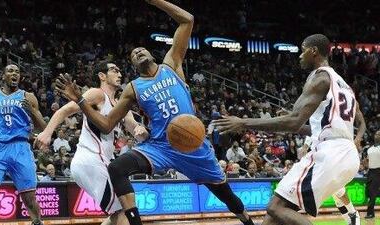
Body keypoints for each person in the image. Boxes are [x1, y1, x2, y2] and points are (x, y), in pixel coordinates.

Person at [55, 1, 255, 225]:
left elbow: (187, 20)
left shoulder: (171, 65)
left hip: (193, 145)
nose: (138, 51)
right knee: (117, 168)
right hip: (161, 147)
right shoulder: (133, 88)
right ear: (133, 65)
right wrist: (81, 101)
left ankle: (246, 220)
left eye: (141, 49)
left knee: (226, 196)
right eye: (133, 54)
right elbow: (107, 124)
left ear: (151, 54)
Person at [213, 34, 362, 225]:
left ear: (313, 51)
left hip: (330, 153)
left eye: (302, 51)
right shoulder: (343, 84)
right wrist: (296, 126)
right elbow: (317, 128)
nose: (300, 56)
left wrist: (243, 123)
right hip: (346, 155)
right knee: (273, 217)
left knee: (275, 207)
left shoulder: (320, 78)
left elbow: (292, 121)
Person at [35, 61, 149, 225]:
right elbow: (65, 110)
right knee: (125, 210)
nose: (119, 74)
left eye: (119, 70)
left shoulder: (119, 105)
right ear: (102, 76)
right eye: (113, 70)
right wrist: (47, 132)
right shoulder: (97, 94)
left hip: (100, 161)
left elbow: (133, 127)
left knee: (120, 211)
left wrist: (141, 131)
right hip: (91, 158)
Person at [0, 64, 46, 225]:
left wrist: (32, 111)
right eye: (10, 71)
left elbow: (43, 127)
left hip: (20, 147)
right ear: (3, 76)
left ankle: (38, 222)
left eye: (17, 71)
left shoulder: (28, 96)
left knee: (29, 200)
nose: (14, 73)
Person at [365, 130, 380, 219]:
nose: (377, 135)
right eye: (376, 134)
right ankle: (371, 213)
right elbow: (367, 160)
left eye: (379, 134)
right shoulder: (370, 149)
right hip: (371, 172)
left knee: (373, 193)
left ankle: (370, 213)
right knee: (370, 192)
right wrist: (365, 165)